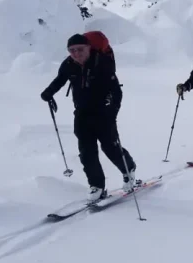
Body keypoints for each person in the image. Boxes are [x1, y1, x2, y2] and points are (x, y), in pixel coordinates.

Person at [41, 33, 137, 201]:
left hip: (103, 112)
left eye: (80, 49)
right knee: (86, 152)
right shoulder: (68, 64)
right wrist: (48, 92)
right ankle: (96, 185)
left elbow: (116, 91)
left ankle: (129, 170)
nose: (76, 53)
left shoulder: (102, 63)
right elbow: (60, 80)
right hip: (81, 113)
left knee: (111, 147)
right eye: (72, 50)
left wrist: (112, 112)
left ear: (89, 48)